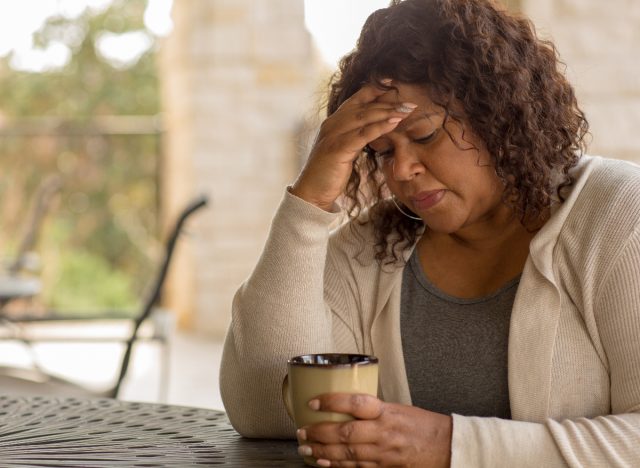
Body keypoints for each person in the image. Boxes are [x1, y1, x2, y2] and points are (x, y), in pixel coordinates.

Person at [220, 0, 640, 466]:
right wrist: (308, 204)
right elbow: (267, 413)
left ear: (496, 115)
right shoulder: (373, 247)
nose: (401, 170)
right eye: (380, 151)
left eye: (423, 136)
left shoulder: (619, 218)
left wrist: (448, 446)